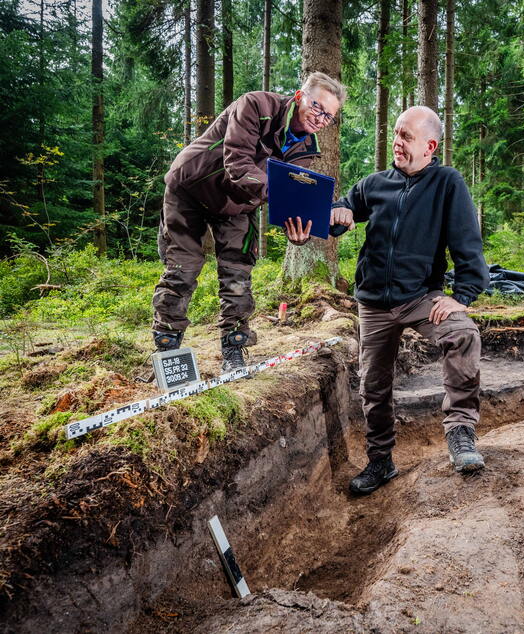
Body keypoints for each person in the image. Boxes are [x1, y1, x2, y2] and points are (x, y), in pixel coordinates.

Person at [313, 106, 489, 495]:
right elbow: (340, 211)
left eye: (406, 136)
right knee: (373, 384)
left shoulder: (447, 183)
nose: (396, 141)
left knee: (463, 335)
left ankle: (460, 434)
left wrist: (463, 295)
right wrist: (335, 213)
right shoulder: (373, 184)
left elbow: (467, 242)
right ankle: (380, 462)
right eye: (395, 133)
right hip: (374, 302)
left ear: (429, 145)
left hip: (421, 297)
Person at [151, 72, 346, 371]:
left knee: (238, 274)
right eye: (318, 108)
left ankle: (233, 350)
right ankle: (168, 350)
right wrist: (284, 194)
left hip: (238, 204)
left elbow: (293, 196)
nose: (321, 119)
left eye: (329, 116)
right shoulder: (256, 106)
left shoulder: (306, 149)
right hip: (192, 187)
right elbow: (238, 165)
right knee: (183, 268)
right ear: (299, 97)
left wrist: (300, 230)